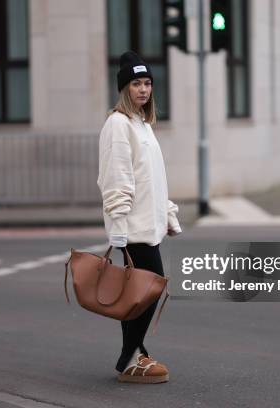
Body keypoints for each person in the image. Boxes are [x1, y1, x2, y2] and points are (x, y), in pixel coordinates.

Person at [97, 51, 182, 384]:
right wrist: (118, 230)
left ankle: (136, 356)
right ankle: (129, 358)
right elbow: (116, 180)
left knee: (136, 295)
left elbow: (154, 180)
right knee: (149, 289)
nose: (143, 89)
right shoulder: (118, 124)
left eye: (147, 83)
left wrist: (169, 216)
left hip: (149, 225)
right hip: (132, 228)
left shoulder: (143, 125)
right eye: (136, 83)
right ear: (124, 88)